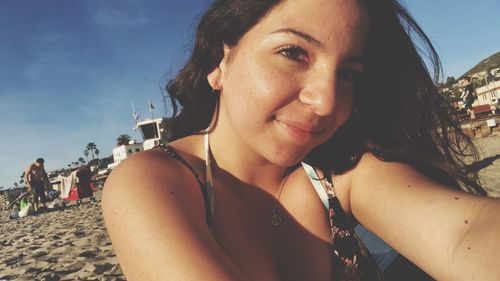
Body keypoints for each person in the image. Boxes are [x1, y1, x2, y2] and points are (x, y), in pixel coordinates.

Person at [102, 0, 500, 280]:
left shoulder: (341, 169)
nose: (326, 101)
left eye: (348, 73)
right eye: (293, 52)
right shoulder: (158, 182)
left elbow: (462, 233)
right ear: (219, 62)